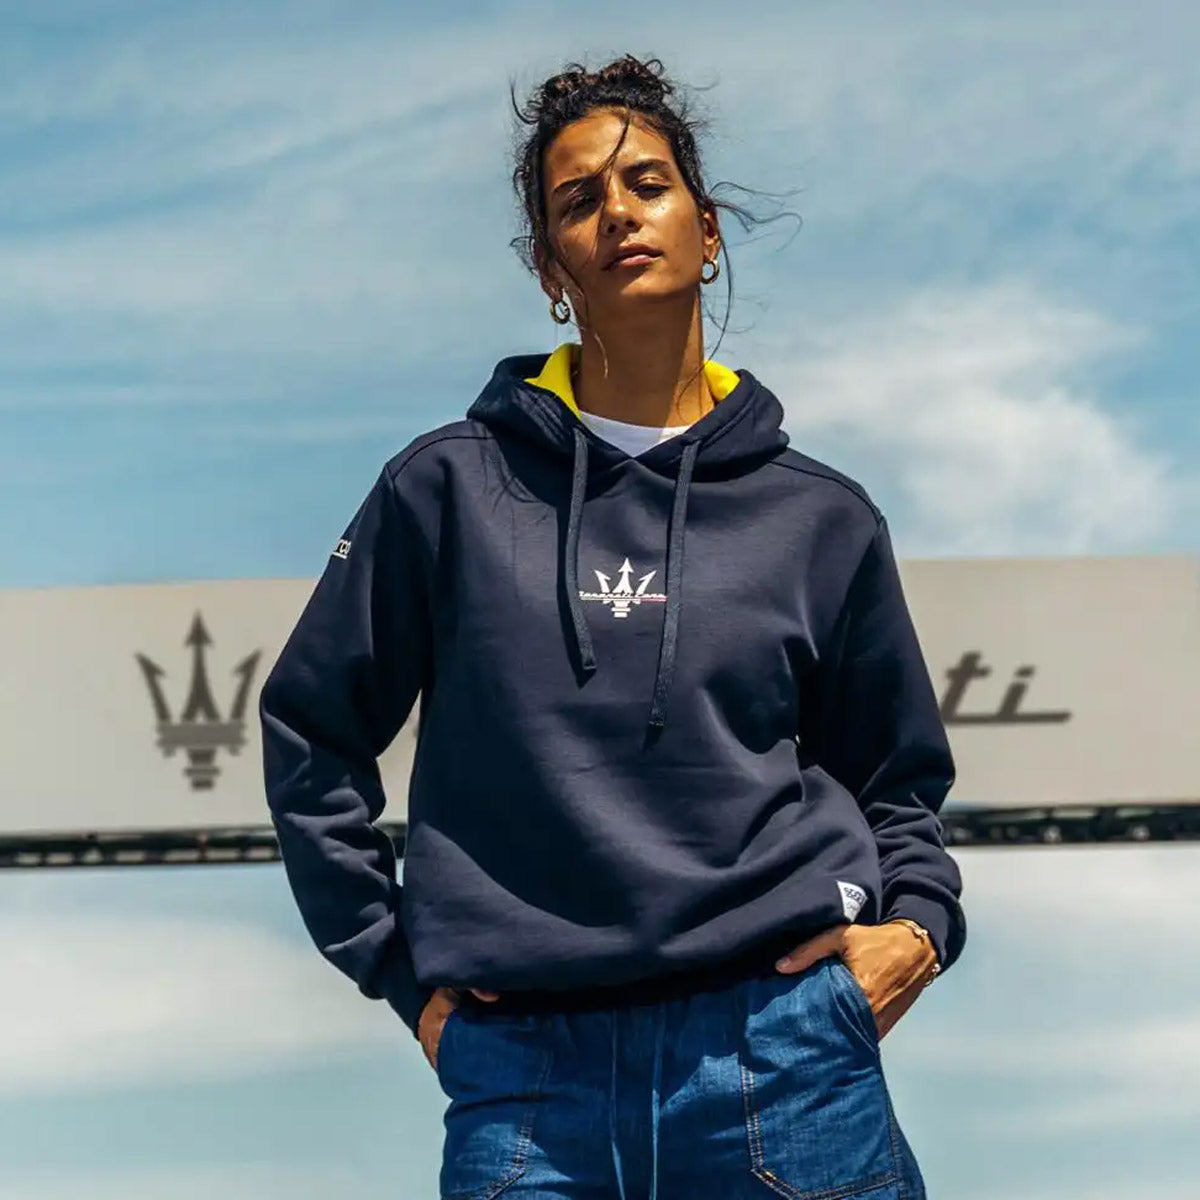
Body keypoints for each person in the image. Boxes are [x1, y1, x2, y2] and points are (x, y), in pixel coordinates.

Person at [260, 53, 966, 1200]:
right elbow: (310, 730)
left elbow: (897, 779)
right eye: (579, 200)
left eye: (647, 184)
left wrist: (918, 929)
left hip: (787, 1053)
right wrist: (400, 974)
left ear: (708, 229)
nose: (620, 214)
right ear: (551, 267)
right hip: (527, 1085)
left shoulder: (820, 518)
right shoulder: (444, 491)